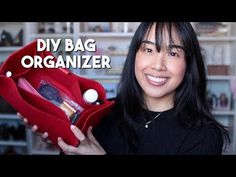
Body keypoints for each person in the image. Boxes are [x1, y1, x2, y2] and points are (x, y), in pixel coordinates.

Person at [21, 22, 230, 155]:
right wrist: (62, 137)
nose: (158, 65)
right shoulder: (102, 115)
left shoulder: (204, 137)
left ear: (189, 63)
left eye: (173, 53)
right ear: (134, 56)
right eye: (148, 49)